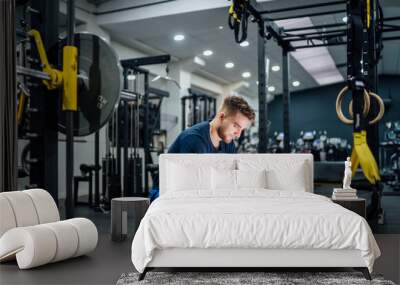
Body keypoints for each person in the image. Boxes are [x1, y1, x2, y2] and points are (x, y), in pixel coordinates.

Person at [168, 95, 255, 153]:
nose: (238, 135)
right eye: (236, 126)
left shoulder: (229, 143)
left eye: (241, 130)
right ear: (222, 117)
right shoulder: (195, 140)